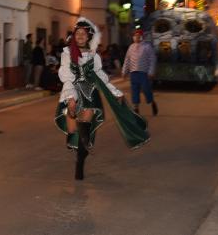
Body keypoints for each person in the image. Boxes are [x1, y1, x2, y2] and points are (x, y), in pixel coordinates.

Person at [54, 18, 150, 180]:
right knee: (72, 131)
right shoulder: (67, 54)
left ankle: (80, 164)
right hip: (72, 91)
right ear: (74, 36)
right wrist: (71, 97)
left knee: (85, 128)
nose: (80, 36)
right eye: (78, 33)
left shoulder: (94, 56)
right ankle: (82, 147)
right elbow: (67, 77)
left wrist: (115, 92)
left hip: (91, 93)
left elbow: (101, 77)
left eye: (84, 34)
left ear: (88, 37)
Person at [122, 29, 158, 116]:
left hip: (143, 73)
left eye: (138, 35)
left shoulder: (147, 46)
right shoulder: (131, 47)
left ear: (142, 37)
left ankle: (152, 102)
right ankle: (136, 108)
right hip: (133, 72)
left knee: (146, 89)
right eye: (135, 35)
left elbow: (152, 59)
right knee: (134, 90)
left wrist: (151, 71)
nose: (136, 37)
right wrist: (124, 71)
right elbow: (127, 60)